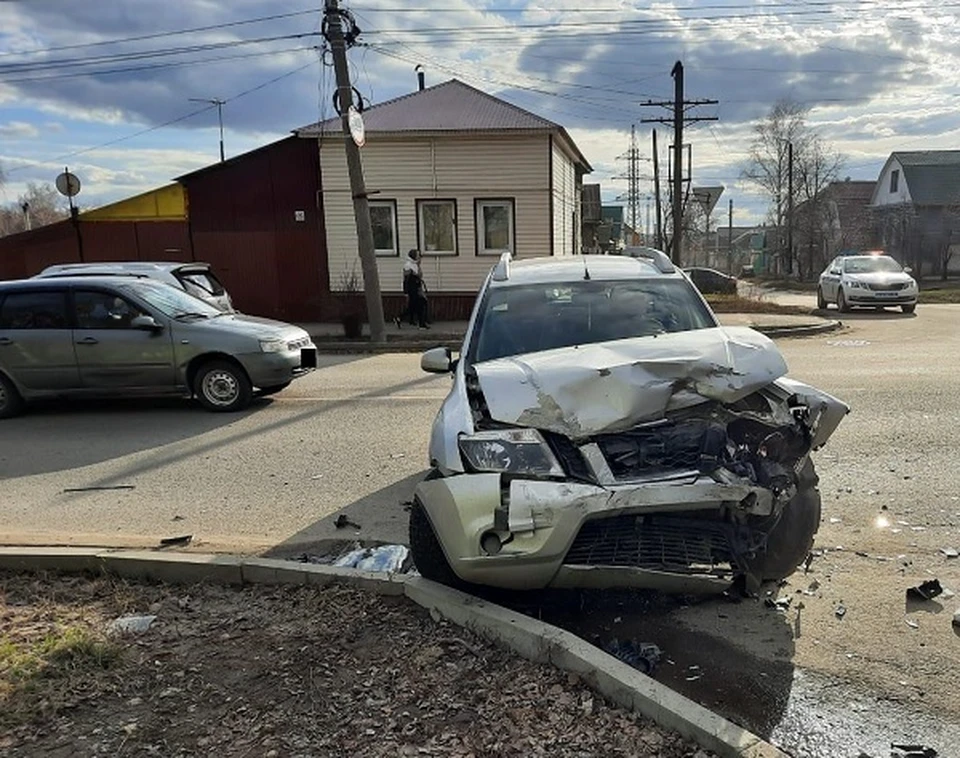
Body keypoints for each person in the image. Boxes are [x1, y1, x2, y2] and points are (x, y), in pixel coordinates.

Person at [397, 249, 429, 329]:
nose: (419, 256)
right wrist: (406, 292)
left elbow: (420, 275)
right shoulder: (408, 265)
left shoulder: (415, 265)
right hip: (412, 289)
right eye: (417, 255)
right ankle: (421, 324)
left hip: (417, 288)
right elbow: (407, 279)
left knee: (414, 306)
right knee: (419, 305)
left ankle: (400, 318)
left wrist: (418, 265)